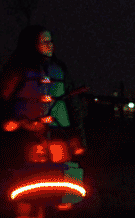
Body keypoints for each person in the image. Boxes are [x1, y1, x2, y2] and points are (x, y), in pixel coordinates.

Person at [1, 26, 85, 165]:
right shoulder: (17, 69)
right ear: (31, 44)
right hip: (25, 135)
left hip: (59, 134)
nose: (49, 45)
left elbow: (73, 104)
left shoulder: (60, 69)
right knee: (26, 176)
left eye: (50, 41)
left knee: (63, 174)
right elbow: (3, 99)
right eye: (44, 41)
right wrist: (10, 122)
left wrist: (79, 138)